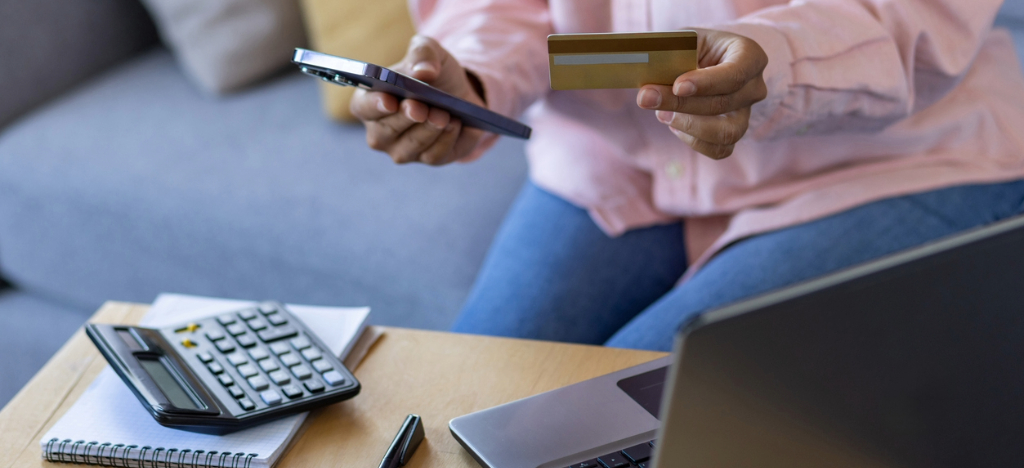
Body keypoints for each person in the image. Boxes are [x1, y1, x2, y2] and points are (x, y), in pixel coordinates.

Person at [350, 0, 1024, 352]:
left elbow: (915, 14)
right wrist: (470, 78)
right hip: (615, 158)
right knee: (467, 407)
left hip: (887, 162)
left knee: (622, 424)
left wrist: (779, 60)